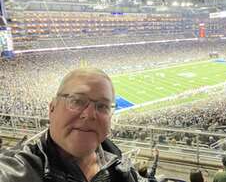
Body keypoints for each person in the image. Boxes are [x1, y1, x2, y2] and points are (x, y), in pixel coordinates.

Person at [0, 68, 142, 182]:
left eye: (102, 106)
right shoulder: (18, 171)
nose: (90, 114)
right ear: (52, 108)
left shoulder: (120, 165)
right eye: (77, 101)